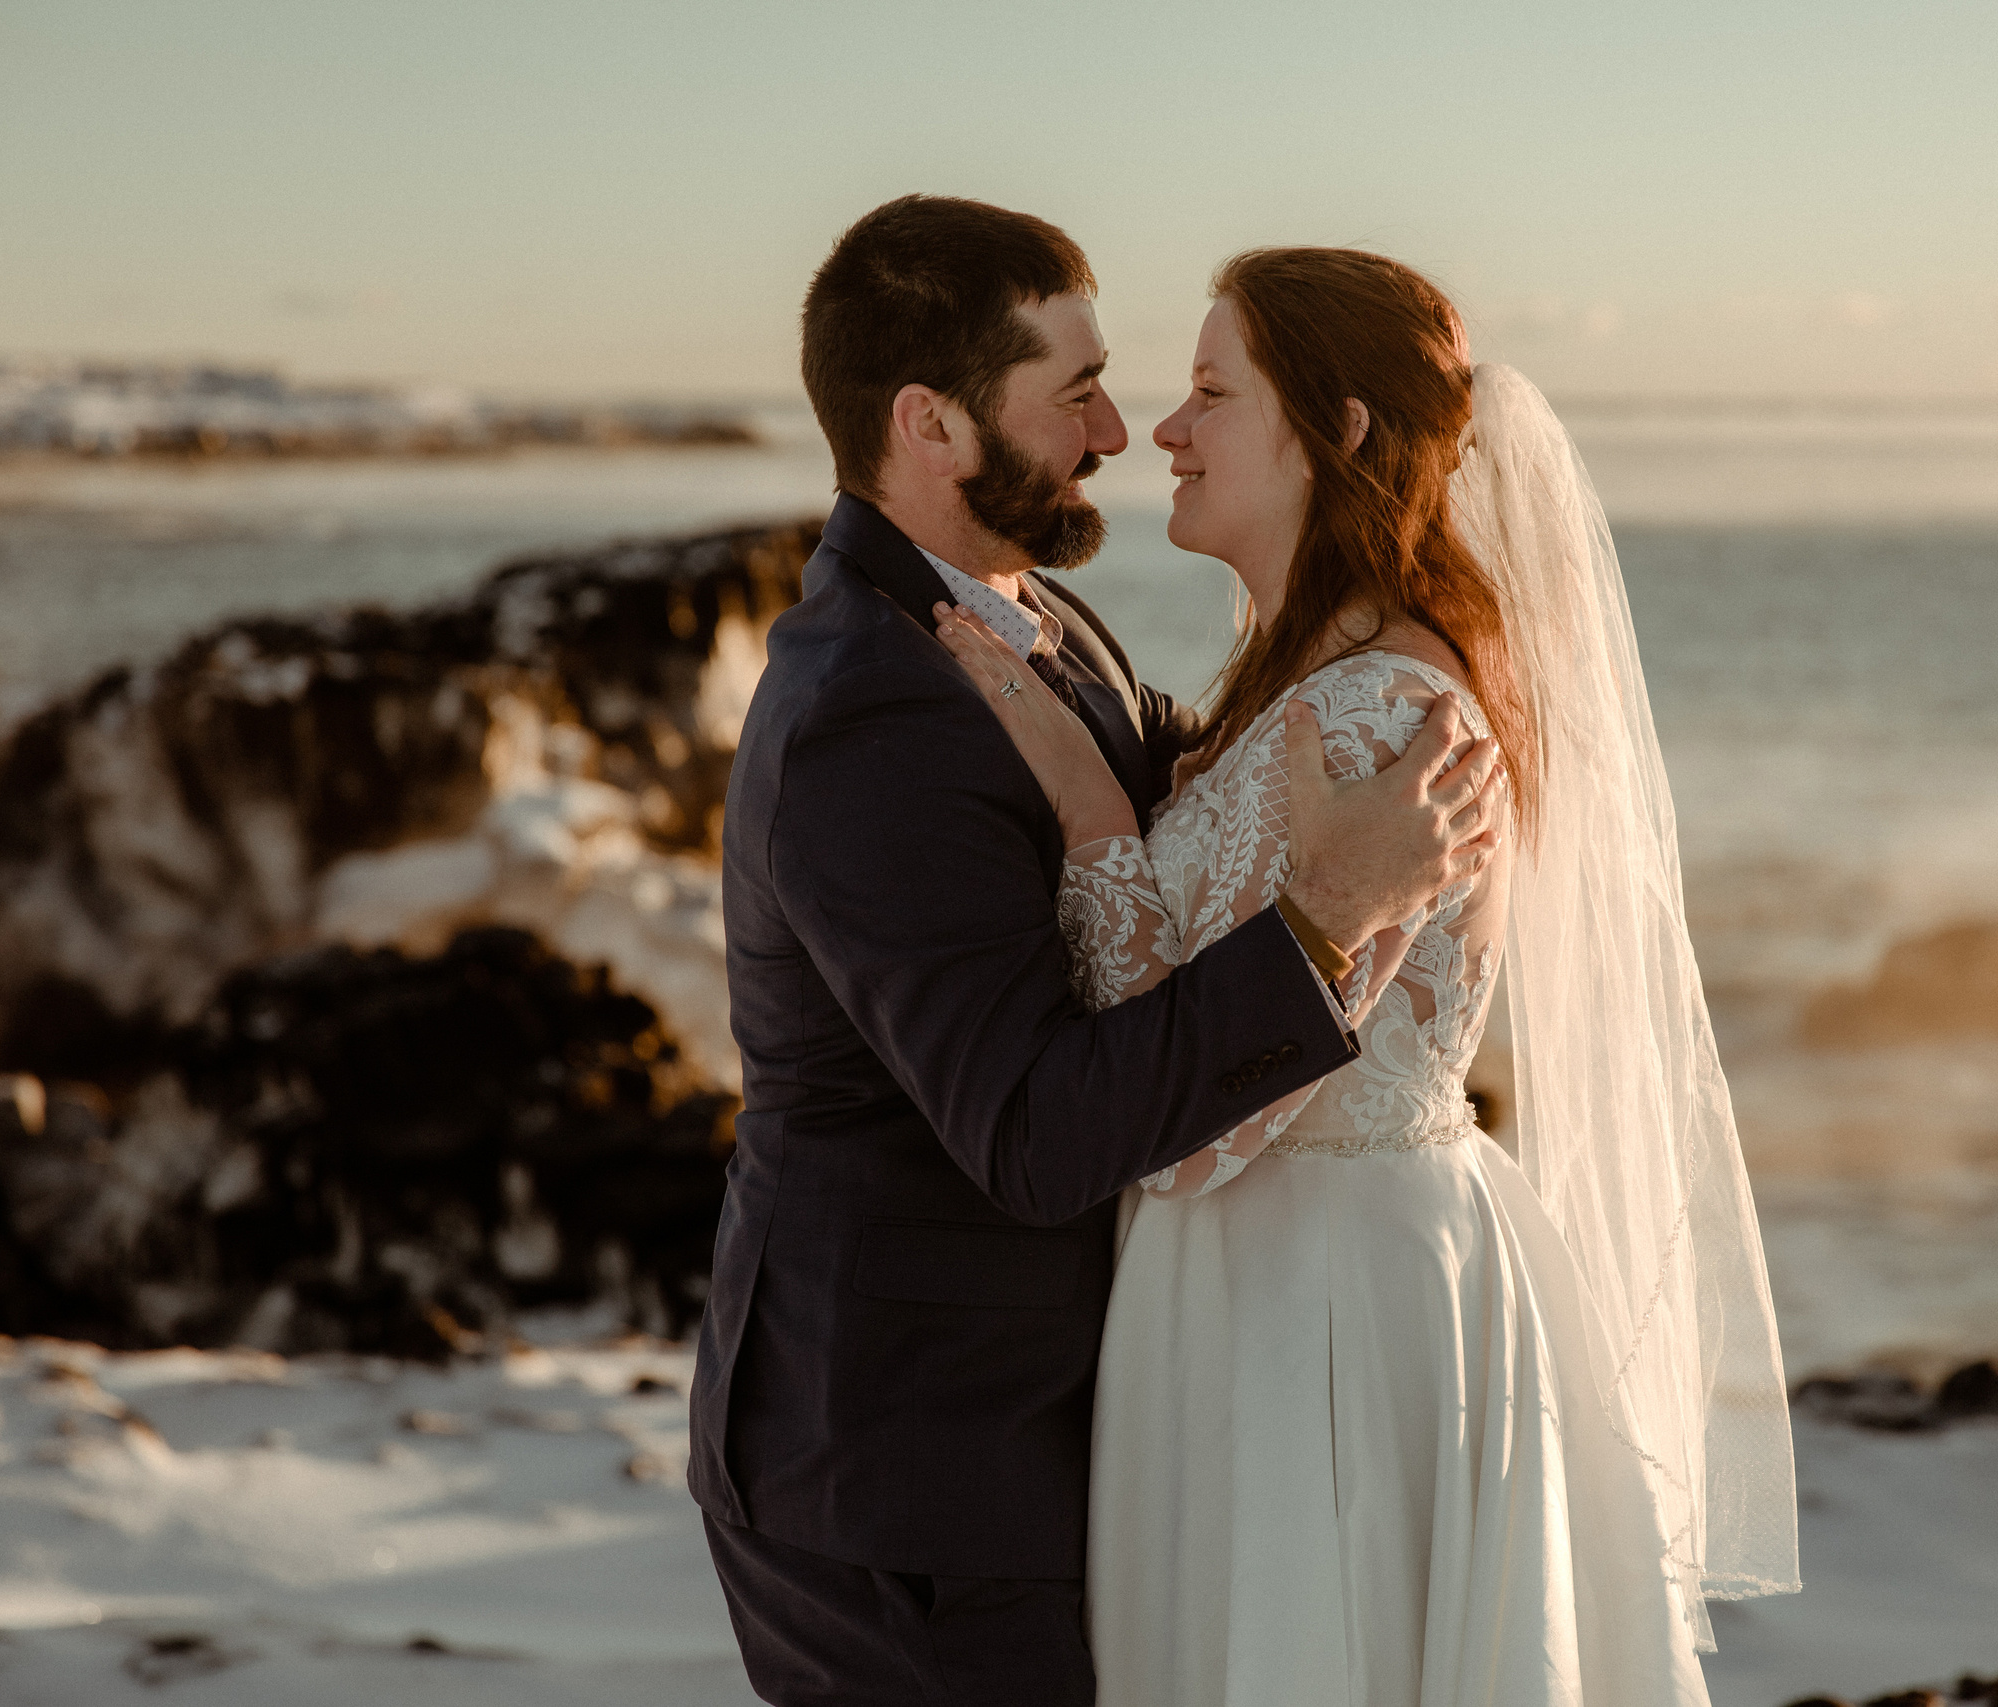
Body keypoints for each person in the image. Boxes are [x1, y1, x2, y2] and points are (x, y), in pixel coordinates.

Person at [935, 247, 1799, 1705]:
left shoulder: (1378, 717)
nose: (1165, 430)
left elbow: (1197, 1127)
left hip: (1315, 1306)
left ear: (1335, 429)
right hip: (1296, 1275)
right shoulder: (1318, 685)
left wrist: (1090, 810)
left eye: (1212, 393)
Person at [688, 199, 1504, 1707]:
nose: (1121, 433)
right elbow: (1037, 1132)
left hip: (1059, 1442)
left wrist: (1355, 678)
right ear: (930, 424)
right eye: (1075, 393)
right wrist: (1326, 917)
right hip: (912, 1480)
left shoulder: (1034, 618)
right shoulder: (873, 710)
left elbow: (1188, 801)